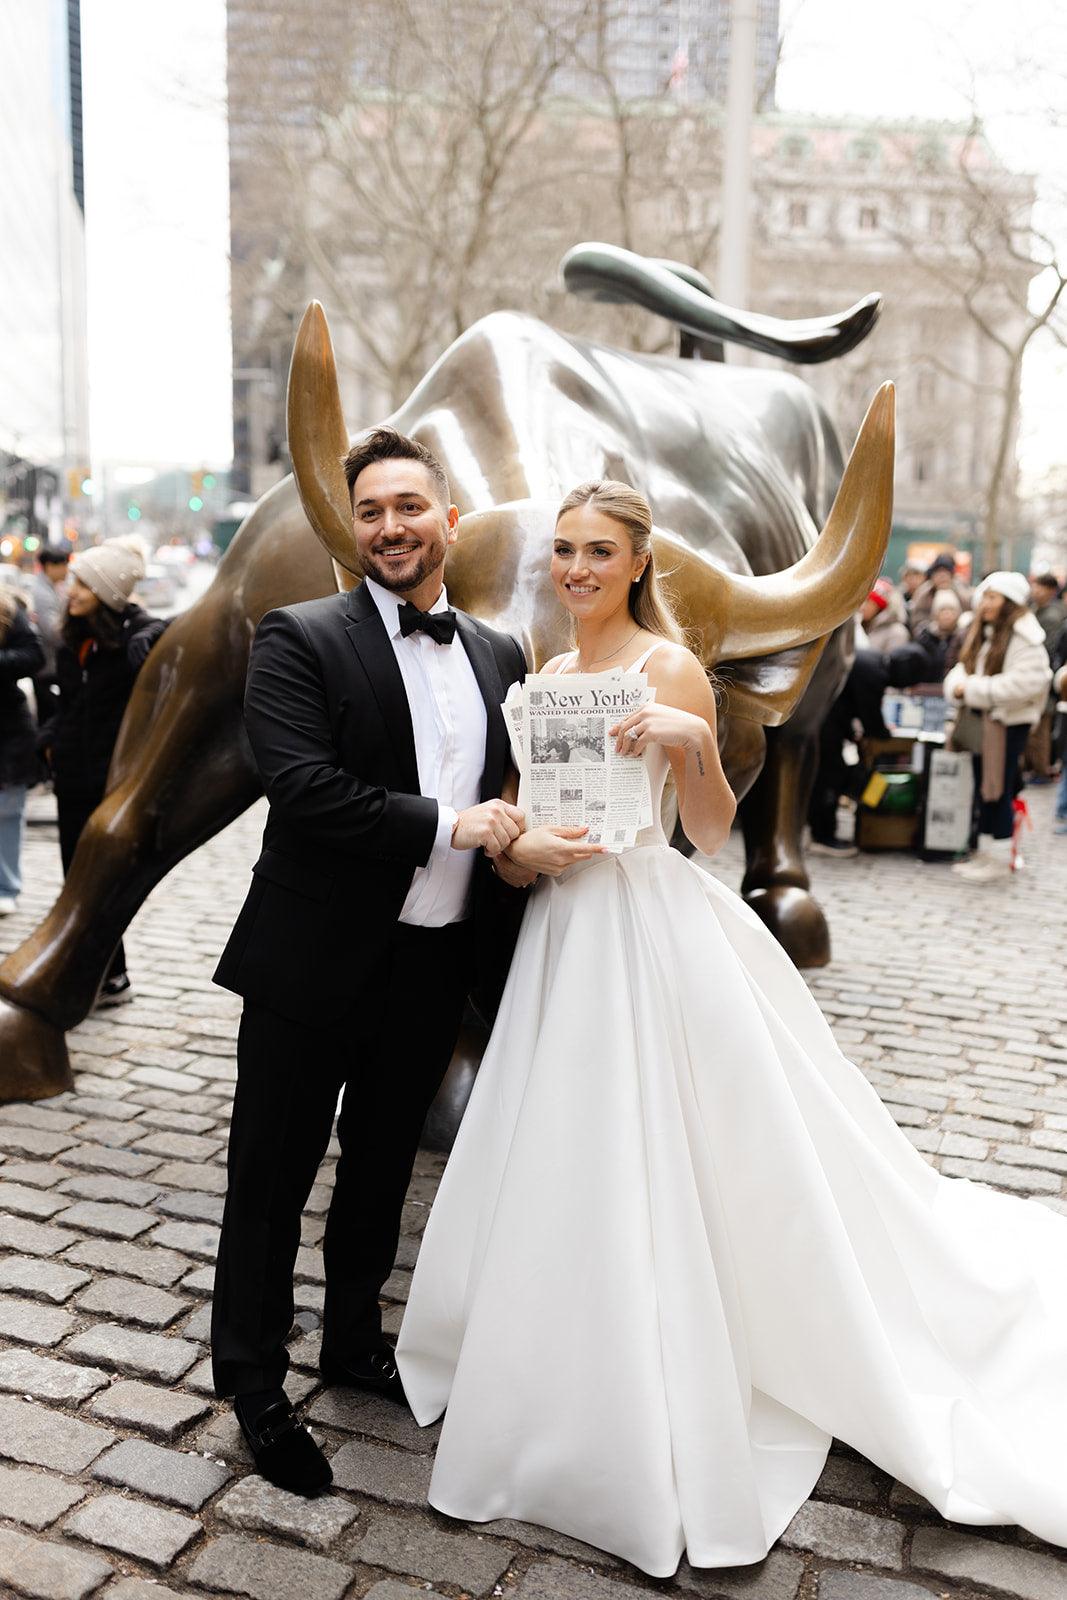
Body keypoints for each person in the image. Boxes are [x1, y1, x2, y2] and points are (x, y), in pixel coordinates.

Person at [397, 482, 1067, 1578]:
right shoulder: (545, 678)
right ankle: (555, 1350)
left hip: (649, 926)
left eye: (596, 551)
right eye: (562, 550)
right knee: (561, 1141)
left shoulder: (665, 667)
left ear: (634, 562)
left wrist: (689, 744)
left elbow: (706, 835)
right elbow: (513, 835)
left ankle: (676, 1341)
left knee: (680, 1140)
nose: (574, 568)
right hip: (564, 931)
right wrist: (522, 850)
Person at [210, 426, 529, 1498]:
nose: (390, 525)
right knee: (270, 1181)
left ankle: (353, 1343)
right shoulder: (296, 636)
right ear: (354, 529)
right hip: (310, 962)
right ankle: (254, 1380)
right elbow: (303, 791)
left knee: (381, 1173)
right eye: (371, 511)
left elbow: (524, 801)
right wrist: (460, 823)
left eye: (409, 506)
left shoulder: (498, 653)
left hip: (433, 967)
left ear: (449, 519)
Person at [38, 539, 166, 999]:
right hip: (71, 780)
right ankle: (100, 975)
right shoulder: (74, 638)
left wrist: (148, 633)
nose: (69, 590)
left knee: (102, 885)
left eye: (82, 583)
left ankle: (110, 974)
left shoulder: (134, 633)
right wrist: (49, 742)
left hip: (110, 784)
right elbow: (64, 704)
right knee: (76, 882)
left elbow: (171, 632)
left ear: (105, 591)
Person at [943, 571, 1051, 883]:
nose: (984, 603)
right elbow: (961, 669)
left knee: (998, 790)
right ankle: (986, 852)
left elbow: (1029, 682)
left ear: (1009, 601)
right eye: (984, 596)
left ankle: (1000, 857)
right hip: (983, 723)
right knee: (984, 788)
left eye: (992, 597)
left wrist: (974, 689)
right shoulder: (983, 630)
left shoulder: (1025, 635)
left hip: (1006, 724)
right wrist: (961, 686)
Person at [0, 589, 45, 913]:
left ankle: (6, 886)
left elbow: (34, 655)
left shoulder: (6, 606)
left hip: (7, 728)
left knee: (8, 811)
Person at [28, 540, 71, 720]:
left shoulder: (51, 588)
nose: (66, 569)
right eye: (62, 565)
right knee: (49, 717)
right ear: (49, 566)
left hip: (50, 664)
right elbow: (53, 632)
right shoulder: (41, 593)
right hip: (47, 667)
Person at [858, 576, 910, 654]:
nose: (862, 607)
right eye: (861, 602)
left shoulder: (897, 632)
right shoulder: (861, 625)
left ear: (879, 606)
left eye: (868, 602)